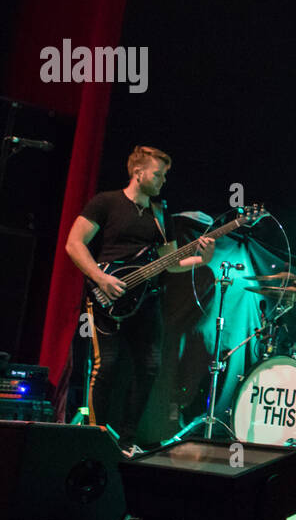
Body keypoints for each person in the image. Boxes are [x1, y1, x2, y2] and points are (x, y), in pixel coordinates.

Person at [64, 146, 213, 456]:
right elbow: (74, 243)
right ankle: (95, 437)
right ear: (138, 173)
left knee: (149, 368)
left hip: (146, 302)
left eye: (164, 176)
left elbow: (169, 263)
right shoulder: (105, 202)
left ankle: (127, 441)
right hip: (107, 296)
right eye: (157, 174)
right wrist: (101, 278)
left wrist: (202, 257)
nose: (162, 181)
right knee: (106, 367)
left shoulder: (161, 215)